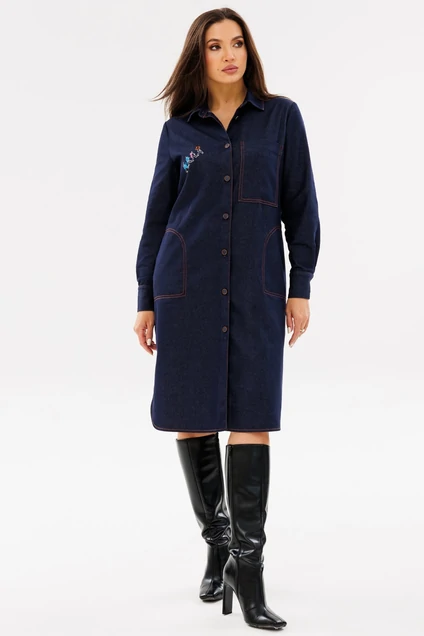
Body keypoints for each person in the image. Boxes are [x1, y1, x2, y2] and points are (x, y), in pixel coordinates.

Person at [133, 7, 320, 631]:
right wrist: (145, 296)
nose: (229, 54)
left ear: (249, 51)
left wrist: (300, 286)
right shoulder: (178, 131)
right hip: (185, 291)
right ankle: (218, 544)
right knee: (191, 417)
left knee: (251, 419)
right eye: (215, 46)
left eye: (237, 43)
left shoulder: (281, 118)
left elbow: (302, 206)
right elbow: (158, 219)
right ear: (200, 56)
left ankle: (250, 569)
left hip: (257, 294)